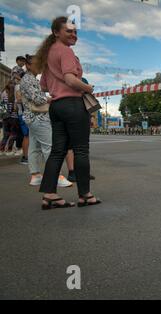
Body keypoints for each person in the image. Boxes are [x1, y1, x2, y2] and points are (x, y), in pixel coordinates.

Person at [35, 16, 101, 210]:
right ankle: (85, 195)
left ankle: (49, 195)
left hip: (56, 107)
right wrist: (88, 87)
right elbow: (71, 80)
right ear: (56, 32)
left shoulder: (48, 54)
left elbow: (43, 85)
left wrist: (57, 95)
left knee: (57, 151)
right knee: (81, 149)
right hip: (73, 105)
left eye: (75, 32)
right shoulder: (66, 51)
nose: (74, 35)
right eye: (69, 31)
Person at [20, 54, 73, 187]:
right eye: (37, 64)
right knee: (50, 147)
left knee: (35, 147)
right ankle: (56, 176)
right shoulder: (28, 79)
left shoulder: (30, 79)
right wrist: (50, 98)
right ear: (28, 65)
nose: (40, 66)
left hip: (32, 118)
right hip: (38, 117)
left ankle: (35, 175)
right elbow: (37, 99)